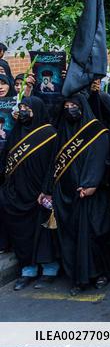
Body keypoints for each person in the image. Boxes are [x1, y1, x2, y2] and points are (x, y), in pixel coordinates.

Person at [42, 95, 110, 295]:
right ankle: (78, 278)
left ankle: (99, 273)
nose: (70, 109)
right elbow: (54, 162)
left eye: (74, 105)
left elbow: (99, 159)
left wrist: (90, 184)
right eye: (67, 106)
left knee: (93, 235)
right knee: (70, 237)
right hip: (65, 194)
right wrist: (47, 190)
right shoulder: (63, 131)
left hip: (89, 194)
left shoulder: (96, 131)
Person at [2, 97, 59, 290]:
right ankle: (28, 270)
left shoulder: (49, 134)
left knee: (43, 233)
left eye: (28, 108)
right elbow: (6, 160)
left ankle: (49, 269)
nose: (24, 111)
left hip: (40, 194)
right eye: (22, 107)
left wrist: (47, 190)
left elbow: (53, 165)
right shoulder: (16, 132)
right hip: (17, 195)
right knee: (22, 234)